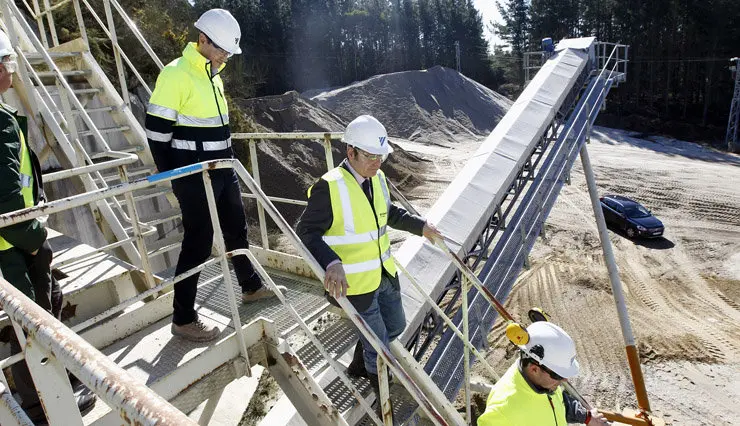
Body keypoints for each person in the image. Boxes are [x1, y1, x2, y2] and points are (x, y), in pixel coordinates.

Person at [145, 9, 285, 342]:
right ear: (202, 40)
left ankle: (250, 287)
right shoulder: (176, 74)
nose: (225, 57)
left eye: (228, 52)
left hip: (223, 169)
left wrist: (228, 162)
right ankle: (183, 318)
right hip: (194, 174)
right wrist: (176, 174)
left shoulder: (212, 75)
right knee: (198, 240)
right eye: (220, 49)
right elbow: (156, 131)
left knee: (237, 228)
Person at [296, 115, 442, 394]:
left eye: (382, 157)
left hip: (384, 275)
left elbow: (388, 214)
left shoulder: (379, 178)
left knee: (396, 326)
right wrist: (331, 262)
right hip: (355, 284)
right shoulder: (330, 186)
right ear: (350, 152)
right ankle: (381, 396)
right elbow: (306, 232)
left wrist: (421, 226)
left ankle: (359, 366)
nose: (377, 162)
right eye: (371, 156)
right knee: (380, 345)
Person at [0, 28, 95, 422]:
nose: (10, 70)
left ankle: (45, 394)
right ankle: (47, 405)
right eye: (5, 63)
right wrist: (37, 240)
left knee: (32, 317)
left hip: (12, 244)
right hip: (14, 246)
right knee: (33, 322)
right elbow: (6, 199)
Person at [477, 321, 610, 426]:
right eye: (558, 375)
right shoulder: (502, 413)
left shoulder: (543, 383)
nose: (564, 380)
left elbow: (557, 402)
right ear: (534, 369)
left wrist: (586, 417)